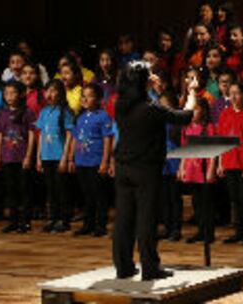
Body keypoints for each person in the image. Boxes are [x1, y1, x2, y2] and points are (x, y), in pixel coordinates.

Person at [111, 63, 198, 281]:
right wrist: (192, 92)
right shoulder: (150, 108)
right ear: (144, 81)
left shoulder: (121, 105)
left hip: (123, 167)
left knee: (124, 218)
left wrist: (152, 88)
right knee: (146, 219)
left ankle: (123, 267)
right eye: (150, 74)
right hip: (145, 169)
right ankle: (150, 268)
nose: (154, 76)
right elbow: (185, 116)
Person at [68, 83, 114, 237]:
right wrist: (71, 158)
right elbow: (75, 139)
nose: (85, 99)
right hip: (82, 160)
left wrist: (105, 161)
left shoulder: (103, 116)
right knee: (86, 194)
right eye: (83, 96)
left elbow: (107, 139)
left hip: (96, 161)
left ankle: (100, 225)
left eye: (90, 96)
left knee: (99, 194)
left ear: (99, 99)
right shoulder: (80, 117)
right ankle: (88, 224)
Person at [0, 80, 37, 233]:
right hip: (7, 157)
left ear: (21, 94)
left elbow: (31, 135)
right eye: (6, 93)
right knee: (10, 191)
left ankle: (26, 221)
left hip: (22, 157)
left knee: (24, 190)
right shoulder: (1, 113)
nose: (9, 96)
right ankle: (13, 221)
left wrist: (28, 156)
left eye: (13, 93)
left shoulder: (27, 112)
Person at [216, 81, 243, 245]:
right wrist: (220, 163)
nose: (233, 96)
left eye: (237, 93)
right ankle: (238, 232)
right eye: (231, 93)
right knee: (234, 199)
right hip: (229, 162)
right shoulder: (225, 114)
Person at [35, 79, 74, 233]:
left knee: (61, 189)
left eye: (53, 90)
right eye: (47, 90)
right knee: (51, 190)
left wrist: (65, 157)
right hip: (46, 156)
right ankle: (53, 218)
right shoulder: (44, 111)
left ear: (60, 93)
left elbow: (70, 135)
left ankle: (64, 220)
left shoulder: (65, 112)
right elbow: (41, 135)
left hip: (59, 156)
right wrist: (38, 157)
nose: (49, 94)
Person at [179, 93, 216, 244]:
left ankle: (209, 233)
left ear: (203, 111)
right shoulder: (187, 128)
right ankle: (200, 231)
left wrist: (211, 169)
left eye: (196, 109)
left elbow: (213, 152)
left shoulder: (209, 128)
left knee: (207, 203)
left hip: (204, 168)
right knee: (196, 202)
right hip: (191, 168)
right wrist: (181, 168)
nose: (192, 112)